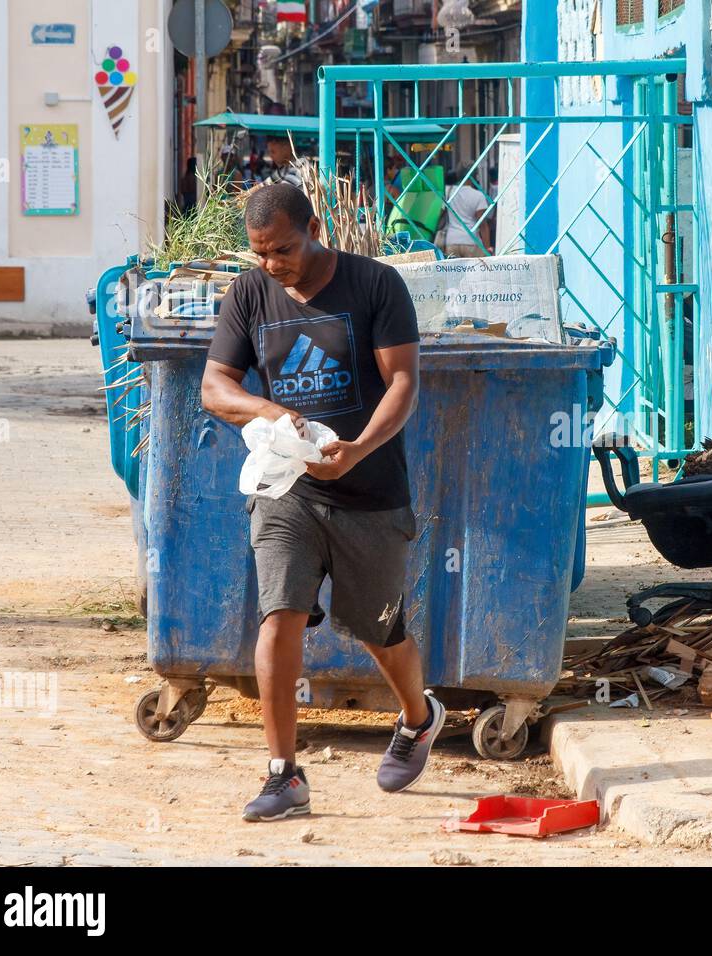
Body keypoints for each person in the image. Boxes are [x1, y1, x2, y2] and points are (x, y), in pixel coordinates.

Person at [200, 183, 443, 823]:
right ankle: (284, 776)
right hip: (289, 492)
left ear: (313, 228)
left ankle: (418, 718)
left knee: (378, 630)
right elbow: (215, 387)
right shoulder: (249, 294)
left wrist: (360, 448)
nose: (271, 264)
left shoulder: (374, 285)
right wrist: (269, 409)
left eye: (282, 249)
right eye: (260, 253)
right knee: (278, 619)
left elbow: (403, 381)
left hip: (371, 492)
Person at [440, 167, 491, 258]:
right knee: (473, 271)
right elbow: (482, 224)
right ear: (474, 177)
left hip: (452, 240)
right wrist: (487, 248)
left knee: (453, 271)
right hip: (471, 241)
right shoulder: (478, 195)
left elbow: (441, 214)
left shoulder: (448, 192)